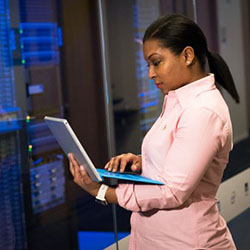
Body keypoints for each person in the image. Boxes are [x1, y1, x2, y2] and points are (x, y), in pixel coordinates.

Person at [68, 14, 239, 249]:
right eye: (148, 65)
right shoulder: (177, 101)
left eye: (156, 62)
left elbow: (172, 191)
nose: (150, 74)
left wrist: (102, 192)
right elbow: (178, 160)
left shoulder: (202, 111)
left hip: (187, 242)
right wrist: (143, 161)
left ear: (187, 55)